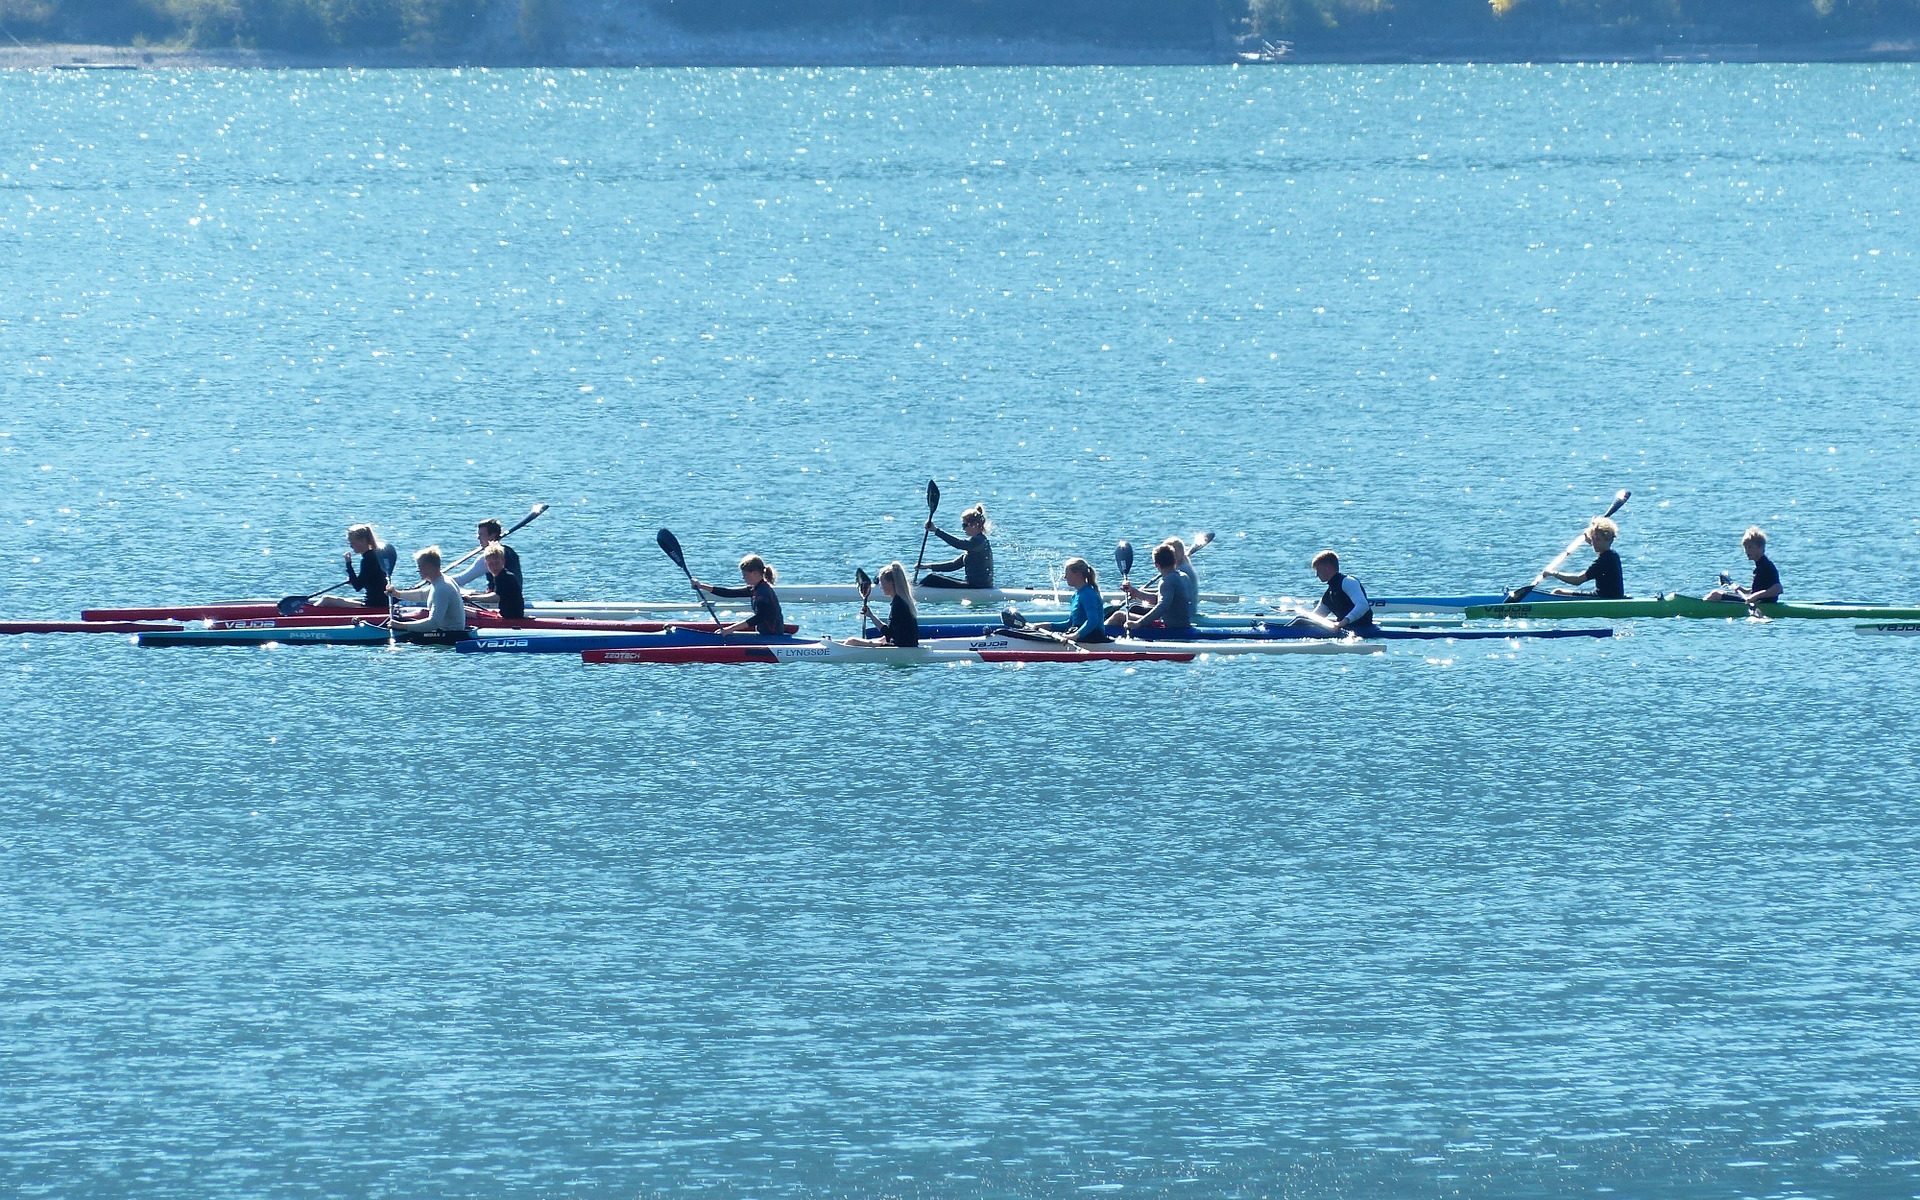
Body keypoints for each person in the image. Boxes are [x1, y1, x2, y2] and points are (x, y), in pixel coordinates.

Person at [694, 554, 786, 636]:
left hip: (772, 636)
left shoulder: (763, 593)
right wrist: (701, 586)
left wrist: (729, 629)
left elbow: (758, 618)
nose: (743, 578)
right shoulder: (755, 589)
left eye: (745, 575)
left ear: (755, 573)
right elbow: (728, 593)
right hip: (765, 634)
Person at [387, 547, 469, 637]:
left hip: (449, 636)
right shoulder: (441, 581)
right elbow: (422, 595)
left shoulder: (442, 588)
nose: (418, 570)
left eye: (419, 566)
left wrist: (401, 626)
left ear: (429, 567)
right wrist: (397, 594)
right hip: (445, 632)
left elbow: (433, 623)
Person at [313, 524, 392, 612]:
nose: (351, 546)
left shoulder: (368, 560)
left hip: (373, 605)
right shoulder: (375, 556)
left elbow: (357, 586)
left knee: (326, 600)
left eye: (353, 543)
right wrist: (353, 580)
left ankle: (307, 614)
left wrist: (348, 564)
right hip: (379, 602)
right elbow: (368, 581)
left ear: (363, 541)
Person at [1542, 517, 1625, 598]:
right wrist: (1590, 535)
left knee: (1557, 592)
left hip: (1604, 598)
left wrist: (1553, 573)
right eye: (1593, 539)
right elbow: (1598, 545)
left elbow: (1578, 580)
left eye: (1598, 539)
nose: (1594, 543)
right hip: (1607, 596)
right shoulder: (1613, 555)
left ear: (1609, 540)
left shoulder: (1605, 560)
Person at [1122, 544, 1194, 636]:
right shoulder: (1184, 577)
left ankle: (1105, 637)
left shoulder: (1166, 581)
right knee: (1134, 609)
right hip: (1184, 624)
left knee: (1119, 616)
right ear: (1175, 561)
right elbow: (1160, 598)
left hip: (1171, 628)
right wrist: (1135, 592)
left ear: (1156, 565)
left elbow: (1162, 606)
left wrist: (1139, 623)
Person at [921, 504, 994, 589]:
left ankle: (913, 590)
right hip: (978, 585)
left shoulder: (978, 541)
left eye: (964, 525)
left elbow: (958, 544)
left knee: (931, 578)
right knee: (935, 577)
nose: (963, 529)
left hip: (977, 587)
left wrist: (936, 530)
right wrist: (927, 566)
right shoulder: (976, 544)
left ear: (974, 524)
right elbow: (953, 565)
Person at [1040, 557, 1111, 644]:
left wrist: (1075, 636)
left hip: (1094, 637)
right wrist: (1048, 626)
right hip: (1080, 634)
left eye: (1067, 573)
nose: (1064, 577)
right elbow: (1070, 623)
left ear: (1078, 574)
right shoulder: (1076, 595)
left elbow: (1093, 620)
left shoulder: (1088, 594)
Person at [1704, 526, 1782, 604]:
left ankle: (1700, 607)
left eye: (1750, 547)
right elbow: (1759, 589)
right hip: (1756, 601)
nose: (1747, 551)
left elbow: (1778, 589)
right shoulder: (1760, 565)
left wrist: (1755, 596)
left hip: (1761, 603)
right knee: (1718, 593)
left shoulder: (1767, 566)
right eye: (1745, 548)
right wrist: (1744, 590)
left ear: (1760, 548)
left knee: (1715, 594)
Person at [851, 561, 919, 648]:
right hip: (906, 645)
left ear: (891, 583)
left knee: (851, 641)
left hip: (900, 648)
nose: (881, 587)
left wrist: (871, 616)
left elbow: (889, 634)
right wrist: (870, 615)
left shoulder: (898, 605)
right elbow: (892, 633)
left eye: (882, 583)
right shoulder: (902, 601)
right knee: (880, 639)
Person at [1312, 550, 1377, 634]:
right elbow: (1316, 617)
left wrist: (1343, 622)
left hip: (1364, 628)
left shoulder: (1348, 582)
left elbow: (1363, 605)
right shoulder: (1329, 594)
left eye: (1318, 570)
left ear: (1327, 568)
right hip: (1346, 630)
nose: (1317, 575)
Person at [452, 517, 523, 594]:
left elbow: (461, 580)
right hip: (514, 596)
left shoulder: (488, 557)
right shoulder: (510, 551)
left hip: (497, 598)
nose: (478, 537)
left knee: (455, 591)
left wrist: (442, 579)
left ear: (492, 536)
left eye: (481, 534)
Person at [467, 543, 525, 620]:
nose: (494, 567)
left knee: (466, 612)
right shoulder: (499, 576)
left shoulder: (506, 577)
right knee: (468, 609)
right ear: (486, 564)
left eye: (497, 563)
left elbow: (496, 597)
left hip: (511, 617)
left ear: (503, 561)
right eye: (491, 564)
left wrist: (471, 598)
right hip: (506, 614)